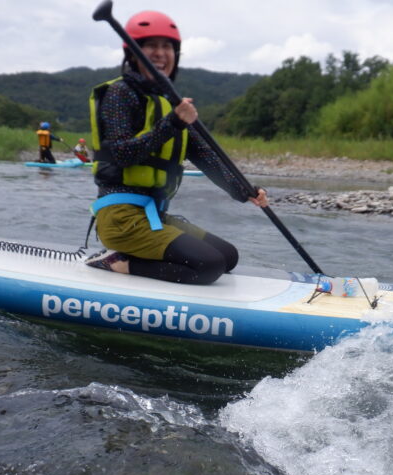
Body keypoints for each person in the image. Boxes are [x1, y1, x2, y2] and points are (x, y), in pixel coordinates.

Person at [84, 9, 267, 285]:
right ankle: (119, 262)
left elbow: (206, 157)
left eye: (167, 46)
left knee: (228, 256)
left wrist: (245, 191)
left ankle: (138, 256)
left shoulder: (170, 104)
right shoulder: (120, 94)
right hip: (122, 219)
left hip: (155, 215)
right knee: (209, 264)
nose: (160, 53)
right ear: (133, 52)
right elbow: (122, 153)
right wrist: (173, 123)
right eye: (150, 45)